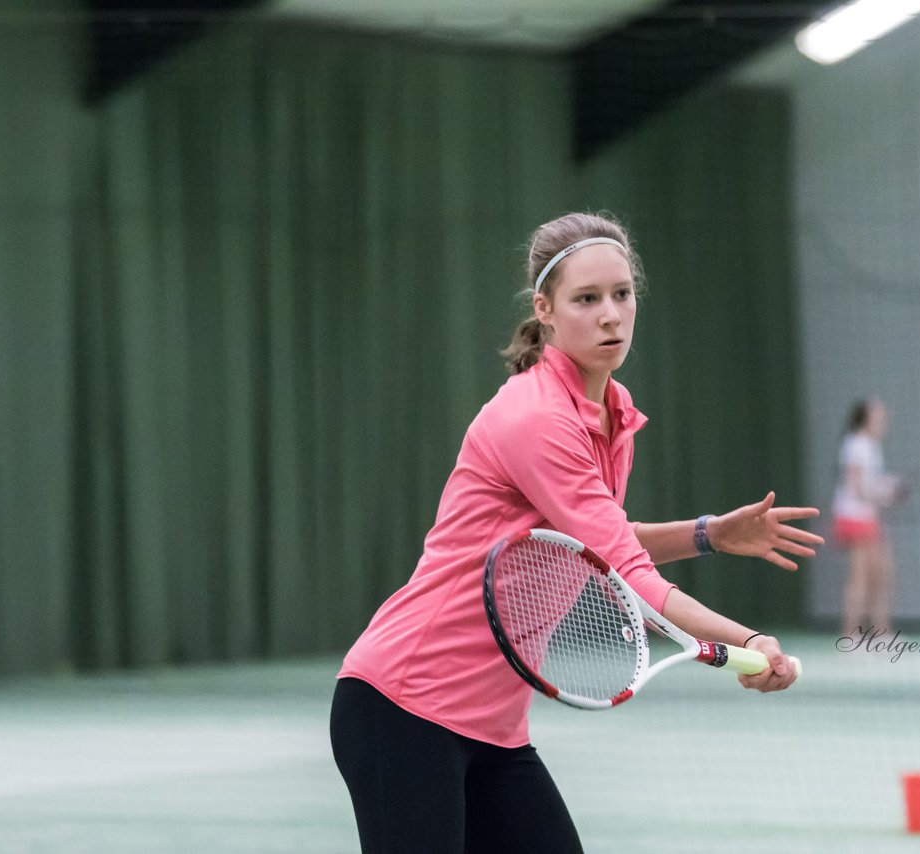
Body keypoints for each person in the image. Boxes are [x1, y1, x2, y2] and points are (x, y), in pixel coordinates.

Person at [329, 212, 823, 853]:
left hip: (494, 727)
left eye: (622, 293)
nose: (611, 315)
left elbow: (595, 548)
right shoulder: (536, 418)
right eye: (586, 299)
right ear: (546, 309)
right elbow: (630, 577)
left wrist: (707, 535)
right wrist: (749, 639)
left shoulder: (612, 414)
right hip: (402, 707)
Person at [832, 397, 904, 640]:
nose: (883, 421)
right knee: (860, 578)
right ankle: (850, 635)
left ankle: (881, 633)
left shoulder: (871, 446)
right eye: (878, 416)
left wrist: (887, 488)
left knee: (881, 575)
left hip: (867, 517)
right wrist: (885, 493)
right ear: (865, 418)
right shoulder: (856, 445)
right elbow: (856, 487)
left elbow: (869, 485)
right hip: (854, 517)